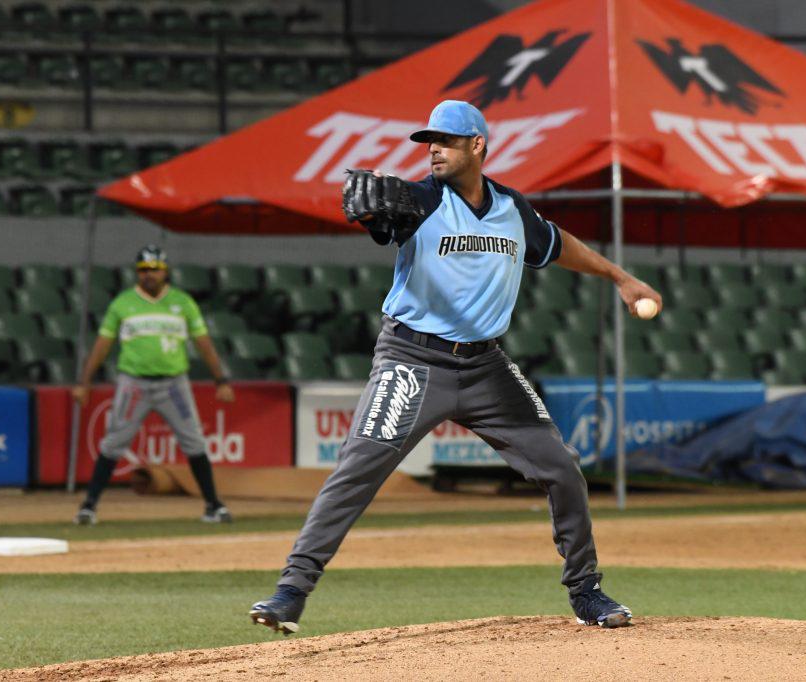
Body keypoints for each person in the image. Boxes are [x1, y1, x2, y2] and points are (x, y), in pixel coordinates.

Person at [249, 100, 662, 635]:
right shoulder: (418, 200)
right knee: (358, 469)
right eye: (428, 142)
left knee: (560, 467)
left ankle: (586, 592)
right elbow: (383, 216)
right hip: (412, 359)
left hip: (486, 366)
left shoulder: (513, 210)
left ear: (477, 146)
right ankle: (290, 592)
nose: (434, 150)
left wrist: (619, 277)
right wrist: (375, 214)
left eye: (445, 140)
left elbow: (559, 246)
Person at [72, 245, 235, 525]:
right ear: (137, 273)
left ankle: (213, 505)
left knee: (193, 440)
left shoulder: (182, 302)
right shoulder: (123, 303)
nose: (150, 274)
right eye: (144, 270)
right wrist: (84, 383)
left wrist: (220, 379)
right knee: (114, 442)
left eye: (155, 269)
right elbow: (102, 345)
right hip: (134, 383)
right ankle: (88, 506)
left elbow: (203, 343)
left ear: (165, 270)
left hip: (174, 383)